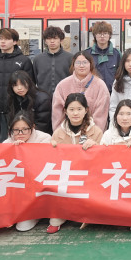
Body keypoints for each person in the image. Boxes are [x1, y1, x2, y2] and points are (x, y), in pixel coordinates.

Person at [47, 93, 103, 234]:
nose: (75, 113)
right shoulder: (58, 133)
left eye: (79, 109)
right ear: (65, 111)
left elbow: (103, 158)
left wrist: (95, 146)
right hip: (66, 176)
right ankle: (61, 214)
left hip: (88, 175)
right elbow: (52, 160)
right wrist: (52, 147)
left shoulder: (96, 131)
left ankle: (86, 213)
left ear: (86, 110)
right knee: (54, 219)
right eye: (71, 109)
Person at [2, 111, 51, 232]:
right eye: (16, 130)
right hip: (16, 186)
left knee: (23, 226)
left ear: (32, 127)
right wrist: (13, 150)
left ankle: (36, 213)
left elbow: (45, 162)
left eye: (25, 129)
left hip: (37, 181)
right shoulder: (7, 143)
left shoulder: (44, 138)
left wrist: (24, 150)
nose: (20, 133)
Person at [52, 51, 110, 132]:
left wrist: (93, 134)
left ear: (91, 64)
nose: (81, 66)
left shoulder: (100, 85)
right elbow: (57, 114)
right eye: (78, 63)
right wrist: (61, 133)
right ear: (73, 65)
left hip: (92, 134)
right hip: (67, 133)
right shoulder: (62, 85)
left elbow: (101, 115)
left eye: (85, 62)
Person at [0, 27, 35, 115]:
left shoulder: (24, 61)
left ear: (15, 42)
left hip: (16, 108)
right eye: (0, 39)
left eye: (7, 39)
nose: (3, 42)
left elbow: (30, 84)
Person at [5, 71, 52, 141]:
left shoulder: (42, 99)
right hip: (19, 135)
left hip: (38, 136)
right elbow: (11, 121)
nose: (19, 88)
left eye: (22, 84)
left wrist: (25, 136)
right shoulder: (12, 99)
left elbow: (42, 124)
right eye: (15, 85)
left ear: (29, 83)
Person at [32, 26, 73, 96]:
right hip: (43, 98)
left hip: (65, 97)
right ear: (45, 41)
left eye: (55, 38)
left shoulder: (70, 58)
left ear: (61, 40)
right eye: (49, 38)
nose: (52, 41)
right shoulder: (37, 59)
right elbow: (33, 81)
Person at [86, 21, 121, 92]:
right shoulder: (87, 54)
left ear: (109, 35)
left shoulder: (117, 54)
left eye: (105, 33)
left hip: (112, 92)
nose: (102, 36)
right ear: (95, 35)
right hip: (92, 92)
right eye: (99, 33)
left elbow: (121, 74)